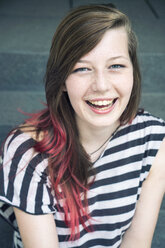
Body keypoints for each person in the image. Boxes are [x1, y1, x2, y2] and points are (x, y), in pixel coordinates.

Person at [0, 4, 165, 248]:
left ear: (133, 73)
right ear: (63, 80)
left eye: (116, 66)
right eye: (82, 68)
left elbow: (137, 243)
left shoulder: (153, 139)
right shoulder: (27, 152)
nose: (101, 85)